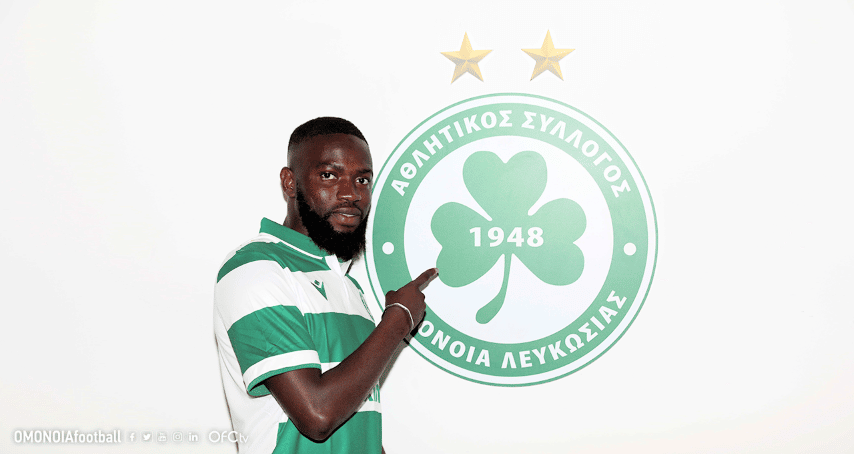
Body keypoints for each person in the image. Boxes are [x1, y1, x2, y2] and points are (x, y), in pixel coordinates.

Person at [214, 117, 436, 454]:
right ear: (290, 183)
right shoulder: (255, 269)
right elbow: (318, 415)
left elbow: (354, 424)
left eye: (362, 180)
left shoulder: (348, 285)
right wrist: (398, 319)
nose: (351, 194)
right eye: (329, 175)